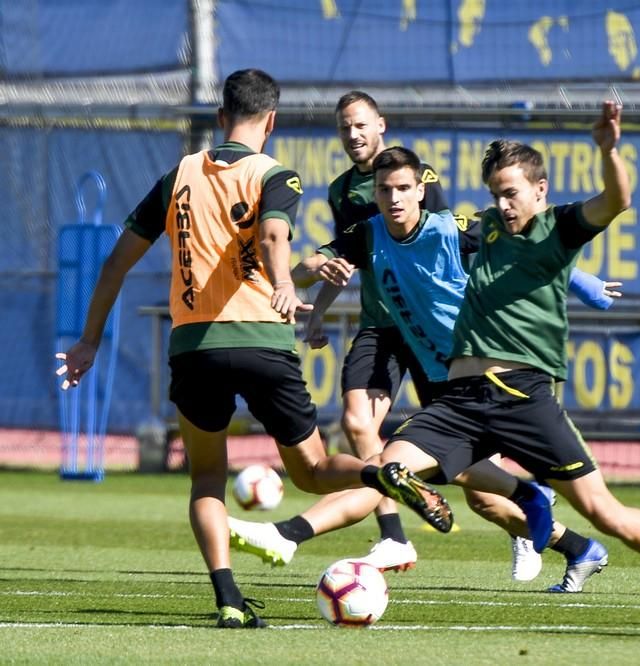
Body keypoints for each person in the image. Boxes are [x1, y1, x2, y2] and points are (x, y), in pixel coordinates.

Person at [54, 69, 452, 629]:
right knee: (314, 470)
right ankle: (377, 476)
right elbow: (271, 236)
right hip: (262, 341)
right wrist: (284, 284)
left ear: (221, 118)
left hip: (194, 347)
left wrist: (88, 341)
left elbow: (116, 262)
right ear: (271, 121)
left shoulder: (177, 176)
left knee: (207, 479)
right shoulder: (276, 175)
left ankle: (228, 600)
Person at [264, 90, 619, 580]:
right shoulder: (343, 192)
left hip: (444, 340)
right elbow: (337, 259)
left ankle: (567, 539)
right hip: (384, 325)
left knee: (479, 495)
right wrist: (309, 298)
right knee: (360, 424)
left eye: (361, 124)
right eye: (345, 126)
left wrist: (577, 277)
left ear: (381, 126)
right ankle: (392, 536)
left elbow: (484, 237)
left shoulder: (422, 186)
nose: (353, 134)